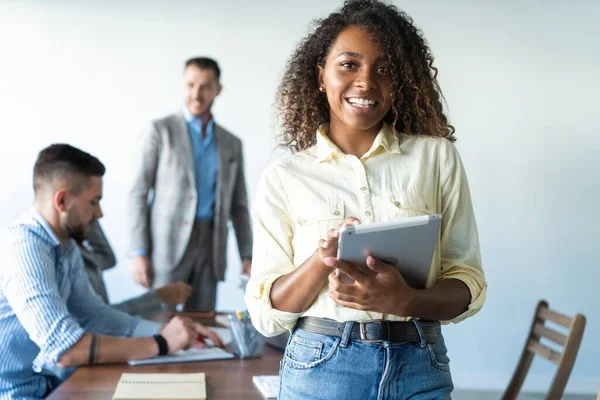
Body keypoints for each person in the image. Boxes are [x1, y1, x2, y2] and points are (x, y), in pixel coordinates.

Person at [245, 1, 487, 399]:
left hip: (419, 365)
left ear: (401, 81)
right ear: (321, 76)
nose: (366, 81)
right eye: (349, 64)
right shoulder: (284, 177)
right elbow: (266, 315)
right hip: (322, 366)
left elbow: (468, 284)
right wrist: (324, 259)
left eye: (384, 68)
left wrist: (405, 298)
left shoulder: (436, 157)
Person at [0, 144, 222, 400]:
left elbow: (96, 316)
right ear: (61, 201)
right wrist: (162, 343)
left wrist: (166, 330)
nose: (100, 212)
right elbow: (65, 350)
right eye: (94, 202)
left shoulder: (66, 247)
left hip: (43, 386)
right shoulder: (24, 247)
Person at [128, 57, 253, 312]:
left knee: (202, 322)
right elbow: (138, 192)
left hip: (212, 244)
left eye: (206, 86)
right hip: (166, 245)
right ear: (182, 85)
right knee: (159, 321)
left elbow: (239, 205)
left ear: (218, 89)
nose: (197, 94)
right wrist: (139, 252)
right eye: (190, 84)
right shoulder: (159, 131)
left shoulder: (232, 143)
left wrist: (247, 254)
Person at [80, 221, 192, 319]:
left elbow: (108, 259)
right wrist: (159, 296)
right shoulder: (70, 262)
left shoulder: (81, 256)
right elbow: (99, 319)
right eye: (93, 202)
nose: (100, 213)